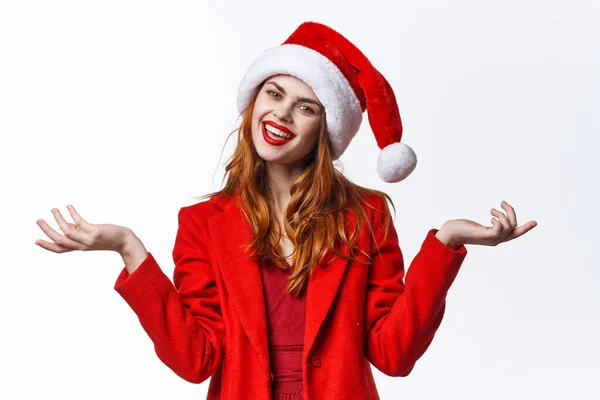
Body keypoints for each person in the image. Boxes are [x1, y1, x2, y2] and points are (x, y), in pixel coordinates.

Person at [34, 21, 537, 400]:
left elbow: (393, 354)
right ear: (254, 103)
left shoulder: (366, 215)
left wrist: (446, 243)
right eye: (274, 94)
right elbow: (196, 359)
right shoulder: (203, 224)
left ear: (327, 129)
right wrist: (130, 250)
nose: (281, 113)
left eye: (306, 105)